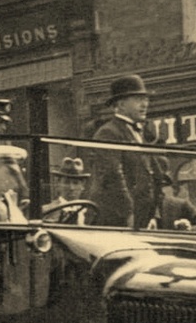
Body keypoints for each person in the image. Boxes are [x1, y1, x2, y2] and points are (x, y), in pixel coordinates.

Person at [87, 74, 166, 228]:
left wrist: (153, 215)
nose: (144, 105)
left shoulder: (140, 133)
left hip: (141, 219)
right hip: (117, 220)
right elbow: (113, 177)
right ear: (121, 104)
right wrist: (129, 214)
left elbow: (154, 176)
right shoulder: (109, 132)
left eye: (146, 100)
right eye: (138, 100)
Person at [43, 157, 92, 225]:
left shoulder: (90, 212)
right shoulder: (47, 211)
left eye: (75, 183)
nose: (71, 188)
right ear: (58, 184)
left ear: (82, 186)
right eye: (66, 182)